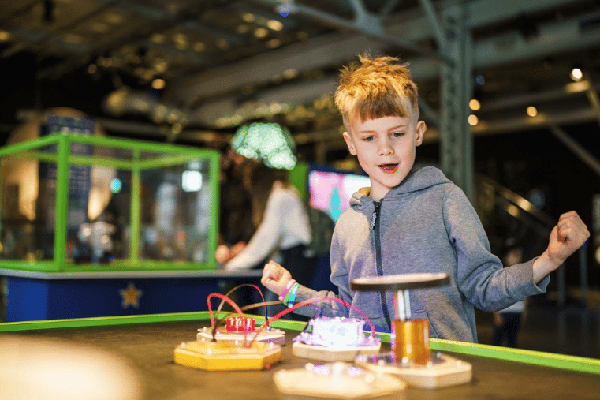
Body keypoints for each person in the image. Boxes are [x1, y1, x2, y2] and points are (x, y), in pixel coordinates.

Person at [260, 54, 590, 342]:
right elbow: (347, 310)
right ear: (351, 144)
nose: (385, 148)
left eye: (397, 134)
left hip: (443, 374)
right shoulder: (346, 225)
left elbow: (484, 288)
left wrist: (550, 258)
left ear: (417, 133)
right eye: (369, 137)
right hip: (375, 375)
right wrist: (291, 291)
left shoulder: (446, 200)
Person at [221, 159, 313, 315]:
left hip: (297, 259)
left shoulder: (280, 196)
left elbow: (265, 240)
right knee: (281, 309)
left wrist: (233, 265)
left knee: (277, 310)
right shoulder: (284, 191)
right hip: (296, 257)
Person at [491, 240, 527, 347]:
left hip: (517, 312)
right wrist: (496, 314)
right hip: (504, 312)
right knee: (497, 340)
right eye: (513, 255)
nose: (516, 257)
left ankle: (512, 362)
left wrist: (524, 311)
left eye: (518, 255)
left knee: (513, 341)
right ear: (506, 257)